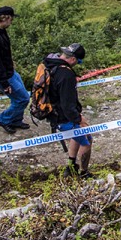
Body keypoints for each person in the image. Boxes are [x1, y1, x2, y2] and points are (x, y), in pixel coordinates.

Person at [0, 6, 31, 134]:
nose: (12, 22)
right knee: (22, 99)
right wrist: (4, 83)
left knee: (22, 97)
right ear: (7, 18)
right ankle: (4, 120)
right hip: (3, 76)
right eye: (12, 19)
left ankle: (15, 120)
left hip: (9, 72)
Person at [46, 43, 92, 178]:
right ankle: (84, 173)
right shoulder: (66, 75)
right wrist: (78, 118)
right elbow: (67, 104)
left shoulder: (51, 63)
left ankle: (71, 166)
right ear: (73, 59)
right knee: (87, 139)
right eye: (78, 62)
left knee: (77, 134)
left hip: (53, 112)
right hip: (62, 115)